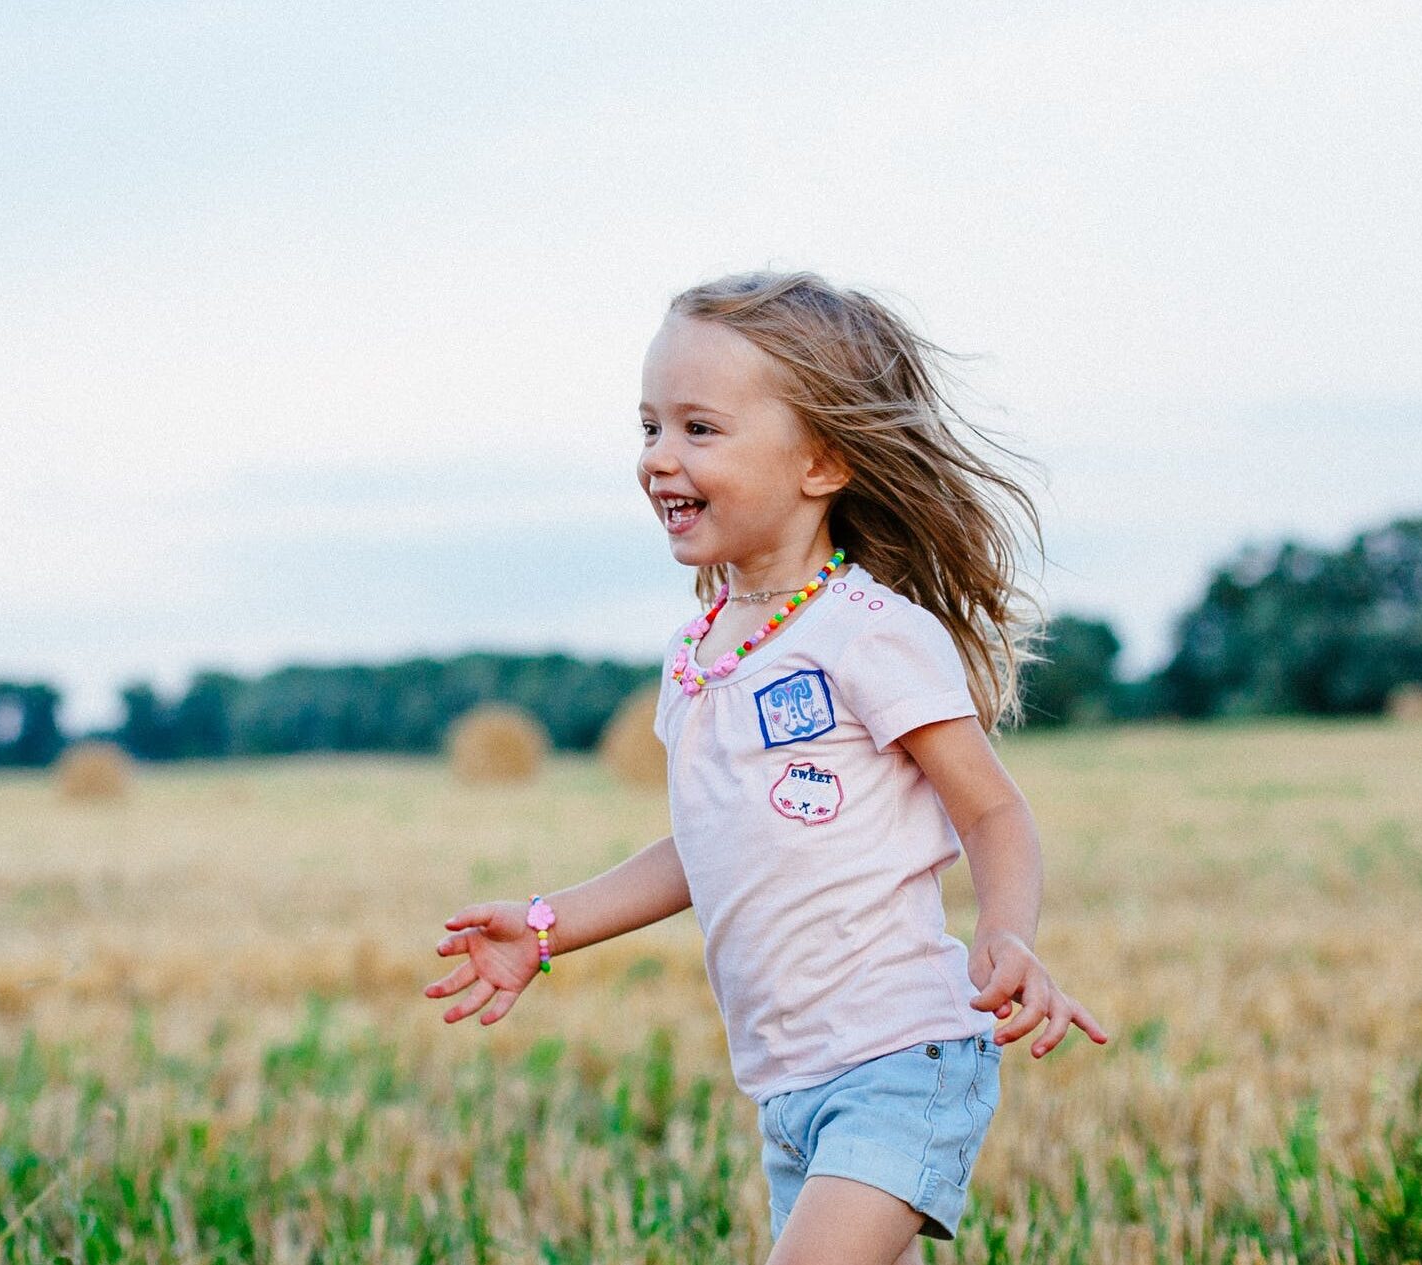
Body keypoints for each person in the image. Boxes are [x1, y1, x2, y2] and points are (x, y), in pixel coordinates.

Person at [423, 271, 1108, 1263]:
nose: (660, 457)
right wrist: (546, 925)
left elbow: (993, 810)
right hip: (787, 1084)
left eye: (700, 429)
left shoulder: (871, 632)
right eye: (649, 426)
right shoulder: (698, 653)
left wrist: (1007, 934)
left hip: (900, 1059)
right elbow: (705, 843)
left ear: (823, 460)